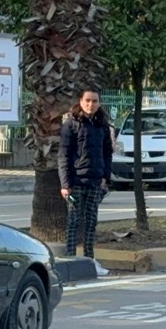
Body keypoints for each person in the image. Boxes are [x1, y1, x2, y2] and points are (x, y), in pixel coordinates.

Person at [58, 88, 114, 275]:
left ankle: (91, 261)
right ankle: (71, 260)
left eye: (95, 101)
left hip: (95, 182)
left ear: (99, 103)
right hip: (75, 183)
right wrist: (65, 185)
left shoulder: (103, 125)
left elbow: (107, 153)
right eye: (88, 100)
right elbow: (64, 155)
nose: (91, 104)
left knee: (91, 222)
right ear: (80, 101)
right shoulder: (71, 124)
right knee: (73, 221)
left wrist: (105, 177)